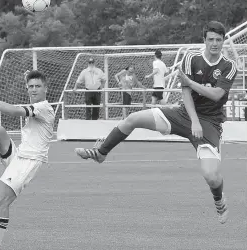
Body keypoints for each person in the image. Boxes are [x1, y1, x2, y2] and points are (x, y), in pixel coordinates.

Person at [75, 21, 236, 224]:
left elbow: (216, 94)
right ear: (204, 40)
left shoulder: (229, 66)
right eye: (210, 39)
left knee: (211, 176)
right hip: (183, 114)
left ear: (223, 42)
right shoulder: (191, 58)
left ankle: (219, 200)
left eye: (219, 40)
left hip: (210, 124)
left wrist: (191, 84)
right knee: (133, 119)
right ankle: (101, 153)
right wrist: (193, 120)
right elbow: (185, 92)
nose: (214, 43)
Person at [0, 70, 55, 250]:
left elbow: (14, 111)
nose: (33, 89)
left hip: (29, 161)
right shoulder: (37, 105)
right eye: (30, 86)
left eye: (37, 86)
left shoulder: (44, 107)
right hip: (20, 155)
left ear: (46, 89)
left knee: (3, 202)